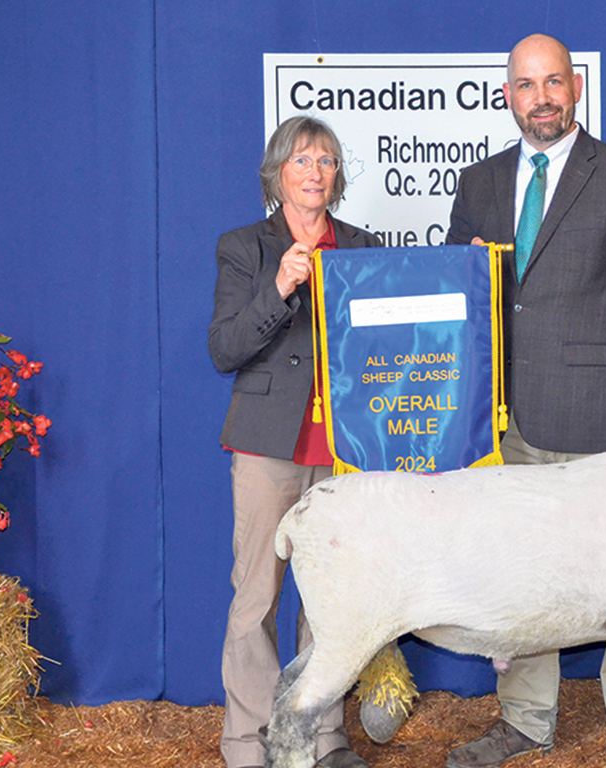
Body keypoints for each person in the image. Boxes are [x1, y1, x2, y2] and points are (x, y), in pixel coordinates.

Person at [443, 33, 606, 768]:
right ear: (507, 95)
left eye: (551, 83)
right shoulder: (478, 182)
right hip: (503, 418)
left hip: (600, 412)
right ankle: (525, 719)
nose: (539, 98)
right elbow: (457, 298)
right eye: (524, 85)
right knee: (520, 571)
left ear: (574, 87)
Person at [209, 115, 380, 768]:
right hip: (267, 447)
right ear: (277, 173)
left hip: (346, 451)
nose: (316, 172)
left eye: (328, 161)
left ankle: (322, 740)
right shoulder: (243, 247)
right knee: (256, 600)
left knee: (333, 605)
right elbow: (224, 349)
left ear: (339, 178)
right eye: (303, 160)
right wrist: (278, 287)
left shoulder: (363, 247)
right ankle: (248, 745)